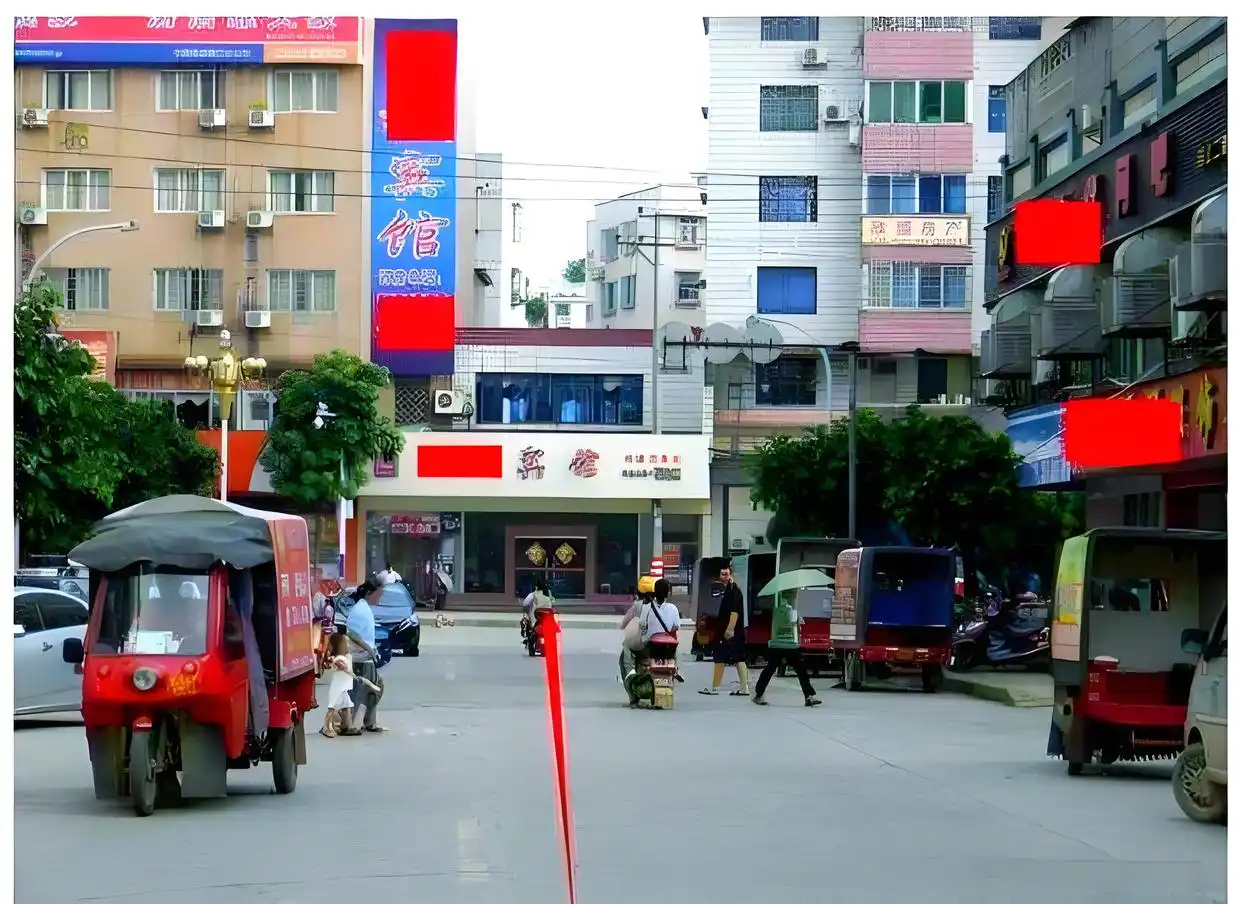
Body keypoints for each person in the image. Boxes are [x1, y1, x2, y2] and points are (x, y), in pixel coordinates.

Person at [752, 588, 822, 707]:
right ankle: (809, 696)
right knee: (801, 670)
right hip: (790, 643)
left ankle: (758, 694)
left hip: (778, 643)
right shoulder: (791, 609)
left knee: (770, 669)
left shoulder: (776, 608)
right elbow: (797, 625)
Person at [619, 577, 680, 704]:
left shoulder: (646, 607)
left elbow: (641, 625)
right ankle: (676, 669)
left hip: (649, 648)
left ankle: (630, 674)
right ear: (668, 593)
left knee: (627, 646)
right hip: (667, 650)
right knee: (674, 648)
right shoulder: (673, 608)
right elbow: (675, 627)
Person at [700, 564, 750, 697]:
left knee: (729, 657)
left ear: (731, 574)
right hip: (728, 630)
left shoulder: (734, 590)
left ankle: (721, 688)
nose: (724, 576)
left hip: (730, 630)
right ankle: (739, 688)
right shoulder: (728, 589)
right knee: (729, 657)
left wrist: (730, 629)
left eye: (726, 574)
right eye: (722, 574)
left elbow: (735, 611)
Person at [342, 580, 385, 735]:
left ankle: (368, 721)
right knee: (360, 691)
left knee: (374, 689)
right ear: (368, 594)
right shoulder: (360, 609)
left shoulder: (364, 607)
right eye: (378, 594)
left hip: (366, 656)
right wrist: (369, 650)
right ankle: (351, 724)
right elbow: (352, 633)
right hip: (361, 657)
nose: (380, 597)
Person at [320, 634, 354, 738]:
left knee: (345, 706)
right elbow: (336, 663)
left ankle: (345, 726)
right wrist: (336, 663)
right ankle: (328, 728)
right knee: (334, 707)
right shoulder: (340, 658)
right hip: (339, 687)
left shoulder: (345, 657)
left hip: (343, 687)